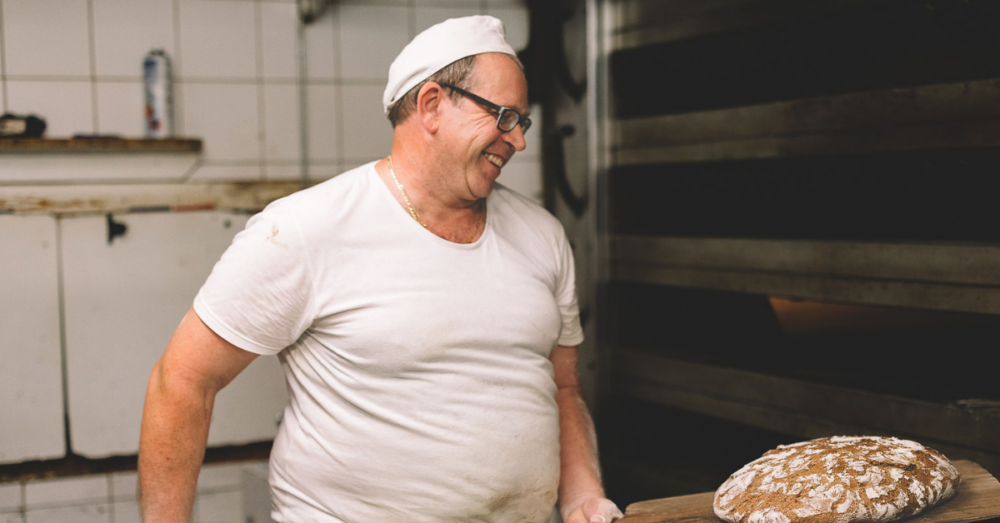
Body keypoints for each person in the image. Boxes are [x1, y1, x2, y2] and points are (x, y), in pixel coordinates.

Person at [138, 15, 622, 523]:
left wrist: (583, 496)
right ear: (432, 104)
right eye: (503, 117)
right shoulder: (306, 230)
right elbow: (182, 381)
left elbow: (563, 387)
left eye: (521, 122)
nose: (517, 141)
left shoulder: (541, 234)